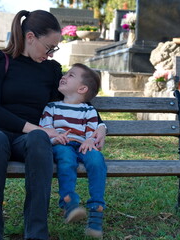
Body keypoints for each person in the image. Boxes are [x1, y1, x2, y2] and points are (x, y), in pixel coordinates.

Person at [0, 10, 106, 240]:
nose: (51, 53)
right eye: (49, 46)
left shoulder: (50, 69)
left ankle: (36, 234)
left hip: (30, 142)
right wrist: (39, 129)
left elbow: (76, 99)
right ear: (30, 37)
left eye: (55, 48)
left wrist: (100, 127)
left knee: (39, 140)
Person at [39, 63, 107, 238]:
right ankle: (69, 201)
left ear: (82, 88)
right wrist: (55, 138)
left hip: (82, 144)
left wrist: (91, 140)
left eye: (71, 75)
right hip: (61, 144)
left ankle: (96, 208)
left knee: (97, 160)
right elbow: (44, 130)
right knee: (66, 159)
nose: (64, 76)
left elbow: (93, 131)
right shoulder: (51, 107)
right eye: (66, 73)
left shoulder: (89, 110)